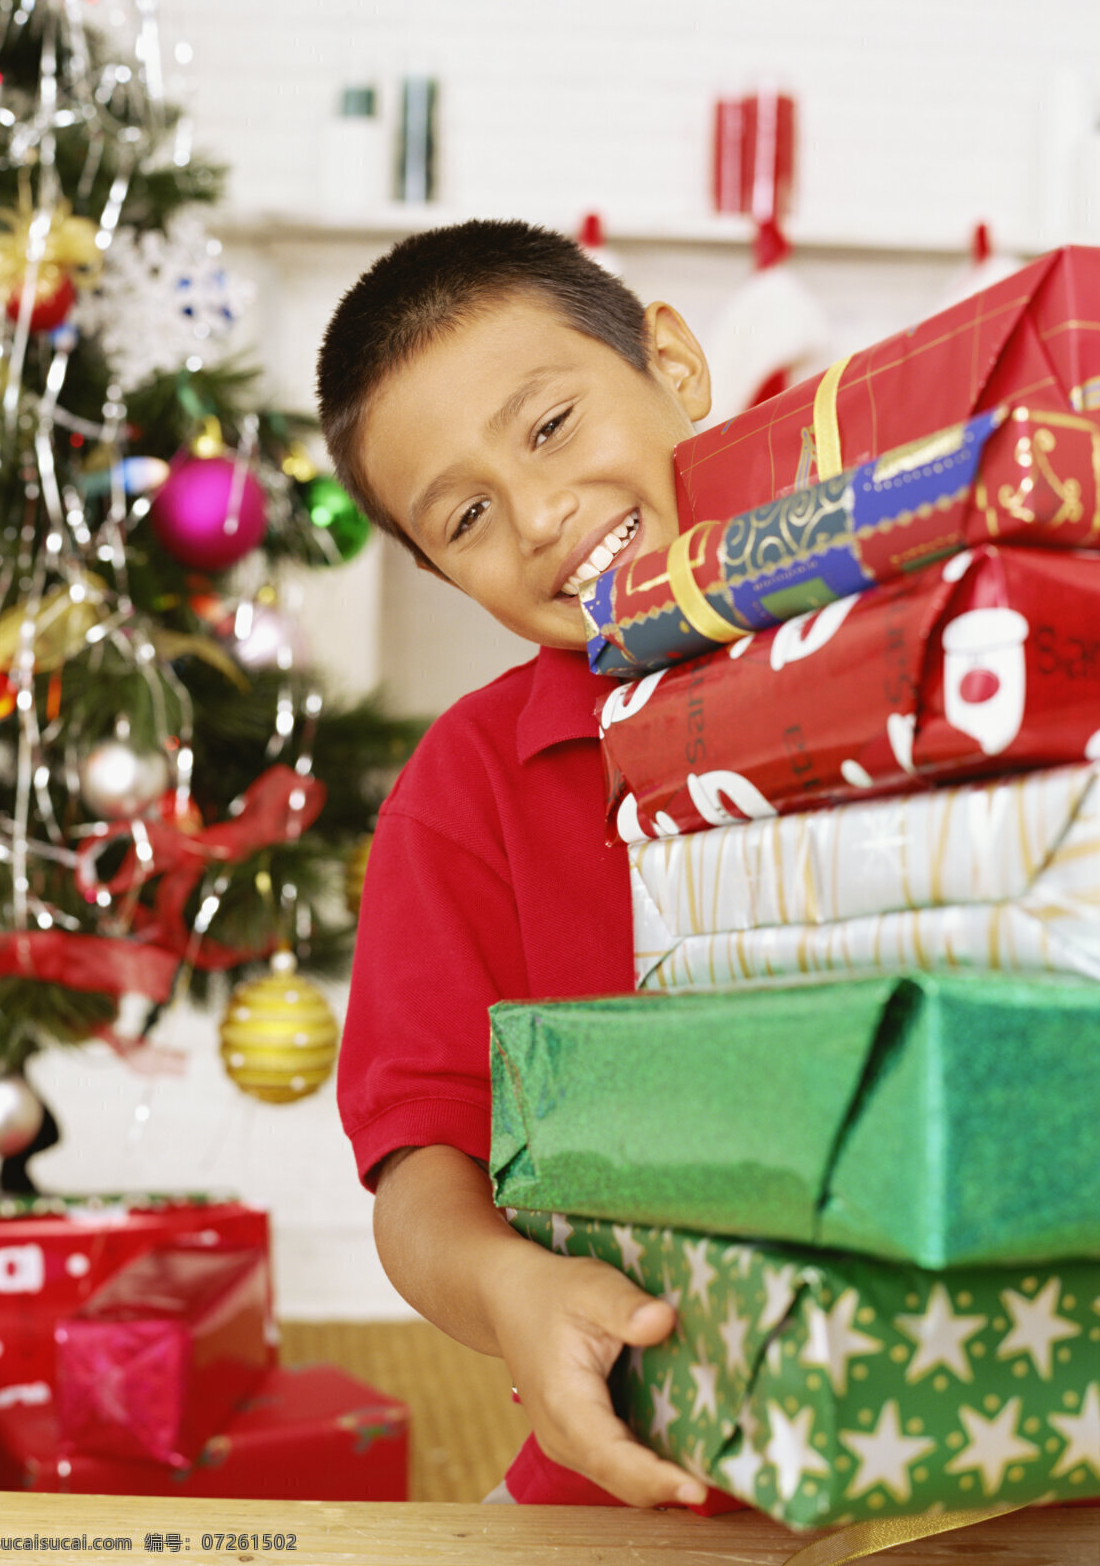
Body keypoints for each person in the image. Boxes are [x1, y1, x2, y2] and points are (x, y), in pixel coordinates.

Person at [317, 219, 723, 1509]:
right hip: (632, 1456)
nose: (544, 518)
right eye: (471, 516)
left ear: (671, 362)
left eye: (550, 426)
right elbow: (417, 1163)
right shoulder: (466, 786)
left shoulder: (938, 620)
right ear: (443, 572)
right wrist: (511, 1287)